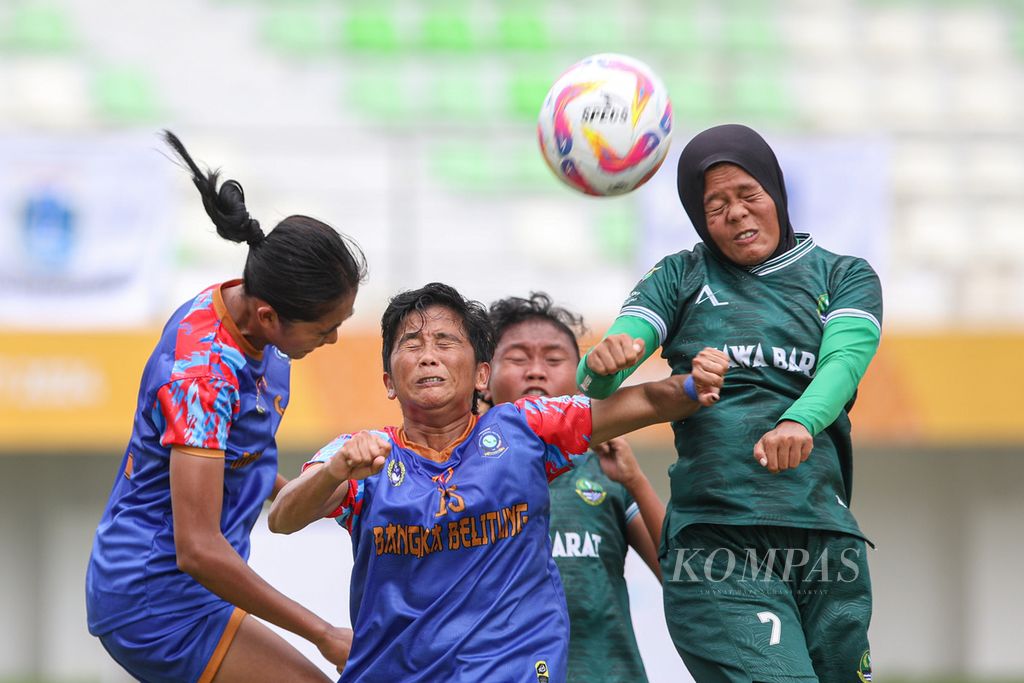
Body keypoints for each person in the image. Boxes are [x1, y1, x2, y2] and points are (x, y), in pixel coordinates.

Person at [268, 283, 729, 683]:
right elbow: (284, 517)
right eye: (412, 343)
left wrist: (692, 387)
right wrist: (336, 470)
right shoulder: (357, 453)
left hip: (518, 667)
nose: (428, 354)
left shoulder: (526, 428)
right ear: (389, 381)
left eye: (446, 341)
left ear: (481, 374)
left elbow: (643, 401)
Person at [577, 123, 882, 683]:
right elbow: (615, 357)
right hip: (717, 541)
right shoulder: (681, 274)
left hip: (826, 537)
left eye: (748, 195)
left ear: (776, 195)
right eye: (715, 205)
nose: (736, 213)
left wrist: (800, 420)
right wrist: (605, 362)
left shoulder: (844, 275)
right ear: (699, 218)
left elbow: (844, 364)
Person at [85, 131, 367, 683]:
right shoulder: (203, 376)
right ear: (267, 317)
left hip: (191, 592)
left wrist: (325, 496)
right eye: (325, 329)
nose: (331, 341)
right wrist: (324, 633)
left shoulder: (251, 313)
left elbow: (234, 463)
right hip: (153, 601)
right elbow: (197, 549)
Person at [485, 292, 662, 683]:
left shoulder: (608, 468)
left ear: (582, 381)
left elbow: (680, 575)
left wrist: (635, 480)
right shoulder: (458, 475)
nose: (536, 371)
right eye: (516, 358)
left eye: (553, 359)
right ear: (484, 377)